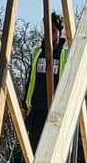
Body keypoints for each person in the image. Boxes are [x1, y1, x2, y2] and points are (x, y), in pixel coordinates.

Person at [23, 11, 67, 146]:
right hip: (37, 109)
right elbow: (31, 79)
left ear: (60, 32)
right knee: (34, 149)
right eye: (47, 30)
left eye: (53, 31)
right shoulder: (37, 52)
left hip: (56, 110)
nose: (49, 34)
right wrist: (25, 104)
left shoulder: (65, 54)